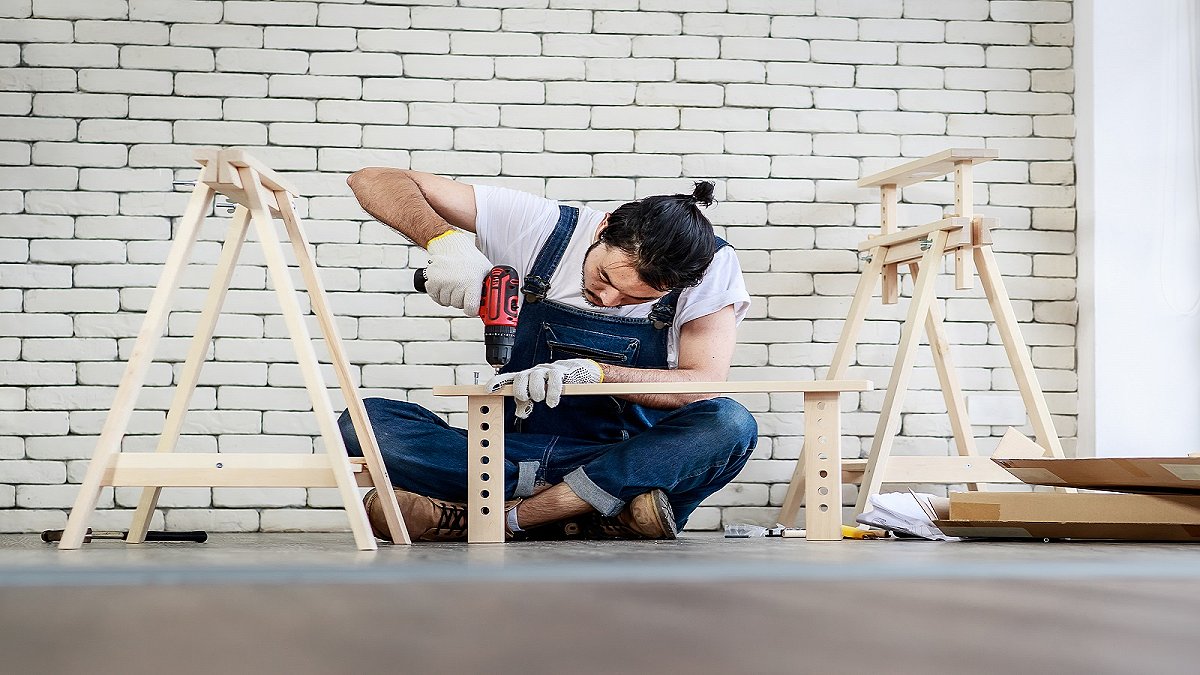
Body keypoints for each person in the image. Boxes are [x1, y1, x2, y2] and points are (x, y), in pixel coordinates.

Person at [339, 168, 757, 541]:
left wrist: (597, 374)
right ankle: (598, 511)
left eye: (635, 297)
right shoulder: (540, 225)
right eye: (605, 277)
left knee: (730, 424)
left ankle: (500, 517)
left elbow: (699, 385)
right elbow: (372, 179)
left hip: (624, 452)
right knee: (365, 422)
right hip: (513, 452)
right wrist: (445, 242)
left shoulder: (714, 265)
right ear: (604, 228)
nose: (609, 299)